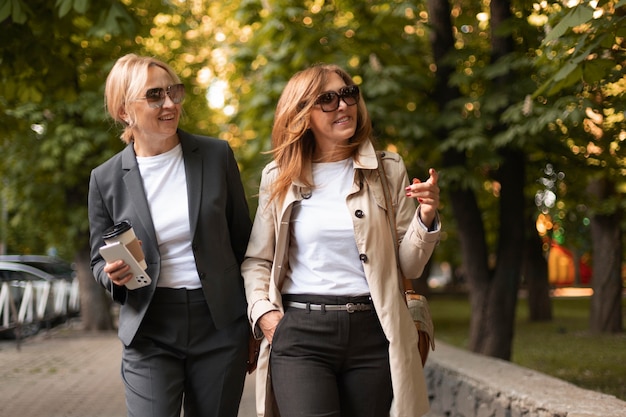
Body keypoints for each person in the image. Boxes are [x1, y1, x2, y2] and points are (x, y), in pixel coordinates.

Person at [241, 63, 441, 417]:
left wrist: (426, 217)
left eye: (348, 94)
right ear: (302, 114)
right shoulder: (278, 177)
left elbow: (409, 264)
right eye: (327, 99)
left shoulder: (387, 169)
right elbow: (258, 260)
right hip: (301, 332)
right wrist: (266, 316)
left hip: (373, 331)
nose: (343, 105)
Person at [88, 53, 252, 417]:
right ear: (123, 111)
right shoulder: (106, 178)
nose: (169, 103)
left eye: (173, 92)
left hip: (219, 324)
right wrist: (112, 273)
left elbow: (243, 241)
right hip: (150, 325)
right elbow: (98, 258)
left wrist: (251, 321)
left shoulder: (215, 155)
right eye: (154, 95)